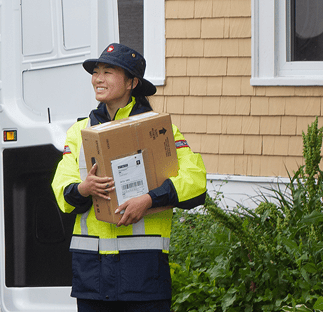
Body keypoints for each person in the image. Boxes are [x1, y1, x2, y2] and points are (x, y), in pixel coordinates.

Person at [51, 43, 207, 312]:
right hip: (93, 276)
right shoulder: (78, 132)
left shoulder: (158, 129)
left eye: (108, 72)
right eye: (96, 72)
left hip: (143, 275)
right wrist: (84, 188)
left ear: (132, 83)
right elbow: (62, 190)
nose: (98, 79)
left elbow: (195, 181)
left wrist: (148, 199)